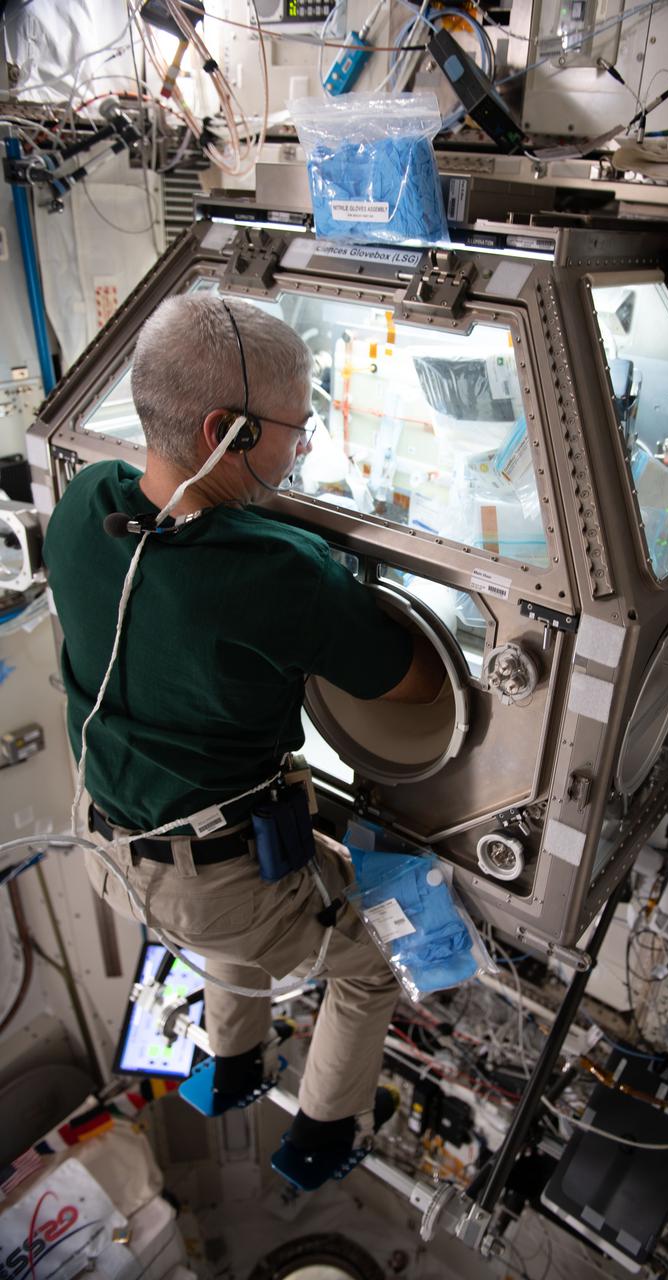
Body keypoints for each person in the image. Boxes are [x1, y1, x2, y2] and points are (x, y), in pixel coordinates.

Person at [43, 293, 445, 1189]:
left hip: (109, 854)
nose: (303, 446)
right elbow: (414, 681)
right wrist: (331, 586)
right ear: (225, 431)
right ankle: (322, 1136)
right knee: (369, 968)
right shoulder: (277, 574)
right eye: (298, 428)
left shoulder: (83, 502)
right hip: (216, 886)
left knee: (235, 934)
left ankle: (231, 1067)